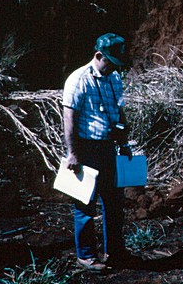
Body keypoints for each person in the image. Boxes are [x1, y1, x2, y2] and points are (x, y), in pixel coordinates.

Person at [62, 33, 133, 272]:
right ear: (99, 55)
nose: (113, 67)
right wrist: (73, 153)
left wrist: (124, 142)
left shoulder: (114, 78)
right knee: (85, 204)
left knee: (114, 203)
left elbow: (119, 111)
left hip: (108, 148)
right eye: (110, 62)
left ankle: (115, 251)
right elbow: (69, 118)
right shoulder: (78, 79)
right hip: (86, 149)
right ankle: (86, 256)